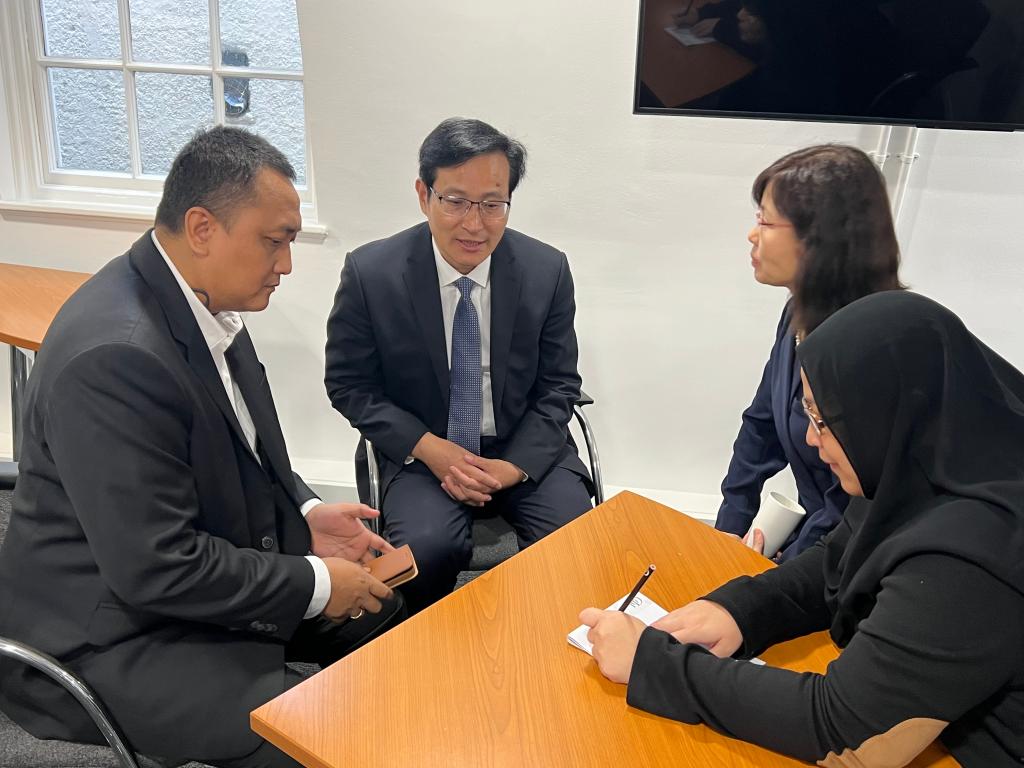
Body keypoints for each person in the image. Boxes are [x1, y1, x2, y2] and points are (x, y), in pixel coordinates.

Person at [0, 127, 404, 768]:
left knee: (390, 622)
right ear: (202, 228)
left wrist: (303, 514)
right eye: (274, 241)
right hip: (109, 634)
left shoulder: (204, 303)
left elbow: (242, 452)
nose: (286, 264)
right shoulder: (117, 358)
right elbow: (157, 567)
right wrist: (317, 581)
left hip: (182, 583)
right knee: (315, 735)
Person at [581, 291, 1024, 767]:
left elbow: (838, 723)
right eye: (808, 412)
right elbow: (838, 559)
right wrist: (740, 611)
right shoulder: (923, 460)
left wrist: (652, 666)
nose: (811, 439)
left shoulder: (976, 551)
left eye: (823, 420)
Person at [325, 117, 593, 614]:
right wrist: (431, 449)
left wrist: (512, 467)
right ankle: (424, 650)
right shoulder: (372, 273)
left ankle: (543, 643)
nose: (474, 224)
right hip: (424, 451)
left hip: (522, 447)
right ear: (423, 194)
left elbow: (559, 385)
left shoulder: (547, 270)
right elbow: (349, 385)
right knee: (425, 552)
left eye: (492, 204)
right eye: (455, 201)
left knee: (574, 544)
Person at [715, 144, 903, 560]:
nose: (752, 235)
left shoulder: (869, 345)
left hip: (860, 554)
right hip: (813, 543)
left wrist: (783, 566)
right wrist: (728, 528)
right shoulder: (798, 313)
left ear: (820, 237)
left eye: (765, 221)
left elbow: (852, 502)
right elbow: (761, 426)